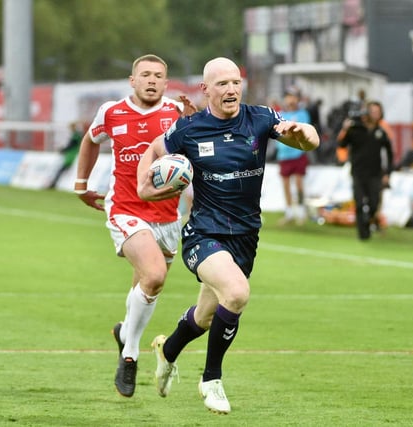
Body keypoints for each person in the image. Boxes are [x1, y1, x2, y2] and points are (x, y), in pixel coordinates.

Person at [136, 57, 319, 414]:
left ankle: (167, 351)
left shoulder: (261, 117)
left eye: (235, 82)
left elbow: (303, 139)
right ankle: (211, 379)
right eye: (222, 84)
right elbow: (153, 151)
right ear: (206, 90)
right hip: (203, 233)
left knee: (205, 318)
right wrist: (145, 187)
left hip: (246, 236)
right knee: (236, 293)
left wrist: (306, 136)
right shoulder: (188, 130)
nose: (231, 89)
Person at [72, 54, 195, 398]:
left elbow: (199, 153)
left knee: (146, 285)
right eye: (146, 75)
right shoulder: (111, 112)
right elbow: (89, 142)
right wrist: (82, 185)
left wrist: (195, 122)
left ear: (166, 83)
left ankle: (124, 331)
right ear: (132, 80)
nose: (152, 80)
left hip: (167, 216)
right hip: (125, 208)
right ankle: (129, 355)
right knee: (154, 275)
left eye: (158, 75)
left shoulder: (176, 113)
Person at [337, 101, 393, 240]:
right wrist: (344, 129)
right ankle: (363, 234)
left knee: (374, 203)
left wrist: (387, 173)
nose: (375, 114)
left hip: (375, 173)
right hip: (358, 172)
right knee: (360, 202)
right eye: (372, 111)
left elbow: (389, 153)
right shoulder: (355, 129)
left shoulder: (381, 131)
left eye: (377, 112)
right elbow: (341, 144)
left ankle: (370, 222)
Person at [274, 86, 311, 225]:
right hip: (283, 154)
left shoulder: (303, 114)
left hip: (298, 153)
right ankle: (289, 212)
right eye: (288, 96)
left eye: (293, 96)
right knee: (285, 185)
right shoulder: (279, 114)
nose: (290, 99)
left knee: (299, 183)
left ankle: (301, 211)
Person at [49, 121, 83, 189]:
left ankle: (53, 184)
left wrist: (63, 150)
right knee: (61, 170)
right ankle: (53, 184)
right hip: (72, 155)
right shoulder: (78, 135)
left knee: (61, 170)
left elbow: (70, 145)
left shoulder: (76, 136)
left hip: (72, 156)